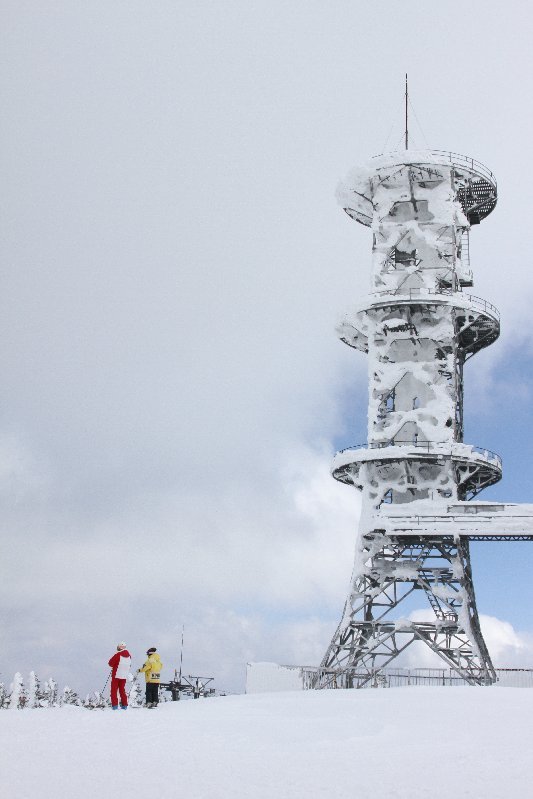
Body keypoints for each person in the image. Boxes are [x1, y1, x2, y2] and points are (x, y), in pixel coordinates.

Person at [108, 642, 132, 710]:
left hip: (116, 674)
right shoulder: (129, 656)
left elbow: (110, 663)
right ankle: (124, 705)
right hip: (124, 675)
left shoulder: (118, 654)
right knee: (122, 690)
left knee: (114, 690)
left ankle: (115, 705)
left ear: (119, 647)